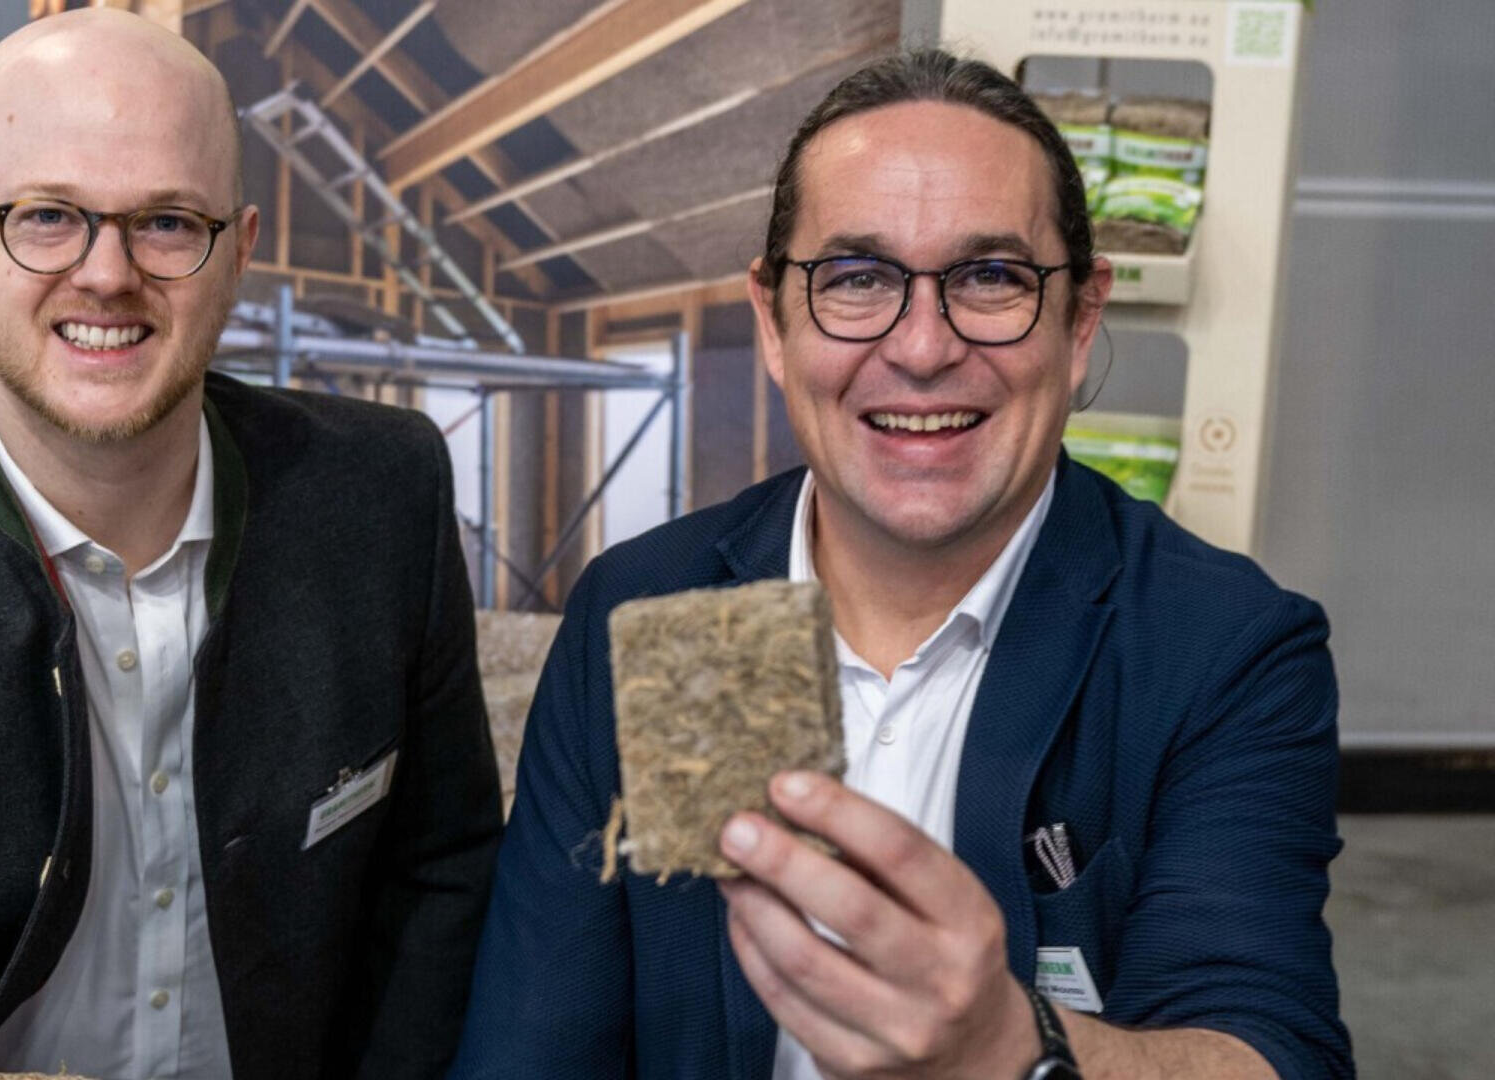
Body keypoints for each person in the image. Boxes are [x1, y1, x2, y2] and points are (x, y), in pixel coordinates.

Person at [452, 49, 1349, 1080]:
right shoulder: (654, 609)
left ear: (1080, 321)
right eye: (858, 279)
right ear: (774, 322)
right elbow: (532, 1046)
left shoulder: (1220, 648)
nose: (923, 349)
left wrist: (1014, 1052)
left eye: (992, 278)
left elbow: (1267, 1049)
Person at [0, 10, 501, 1079]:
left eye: (166, 221)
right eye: (46, 215)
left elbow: (443, 877)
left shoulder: (384, 495)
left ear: (240, 249)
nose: (107, 274)